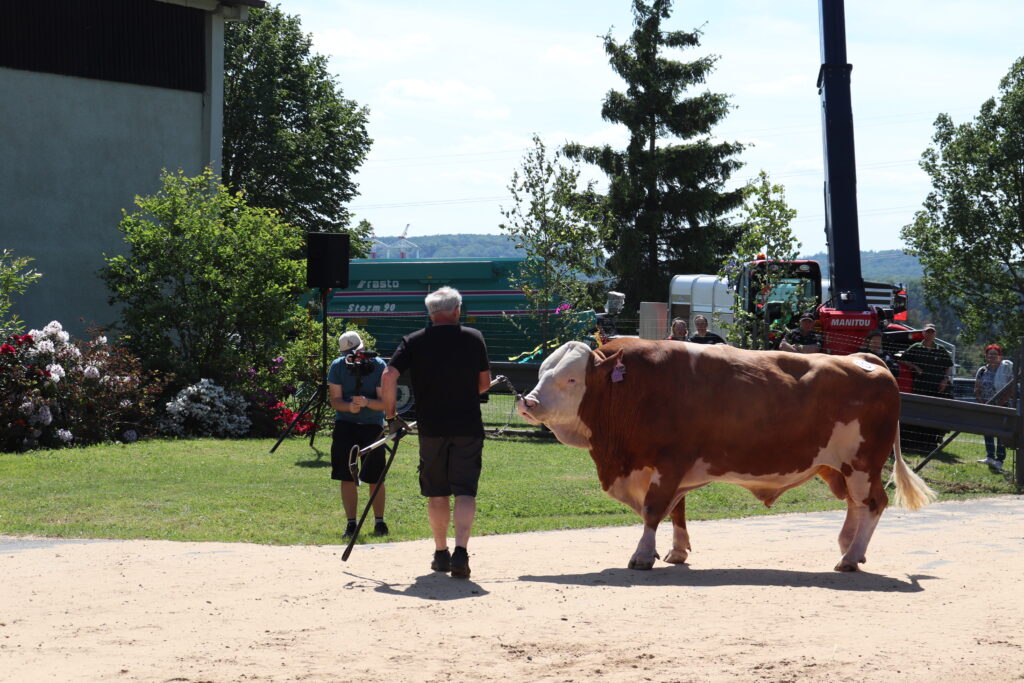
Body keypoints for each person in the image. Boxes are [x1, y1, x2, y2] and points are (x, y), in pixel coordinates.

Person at [380, 287, 491, 579]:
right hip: (467, 426)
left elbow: (388, 375)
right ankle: (461, 554)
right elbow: (483, 384)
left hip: (431, 430)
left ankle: (441, 554)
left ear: (430, 313)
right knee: (465, 491)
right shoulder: (473, 338)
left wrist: (391, 416)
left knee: (437, 493)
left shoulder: (414, 341)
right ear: (457, 310)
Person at [328, 331, 390, 540]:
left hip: (372, 426)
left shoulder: (379, 366)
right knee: (346, 474)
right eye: (351, 354)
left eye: (359, 352)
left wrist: (367, 403)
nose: (356, 357)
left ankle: (379, 522)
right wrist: (348, 407)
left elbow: (385, 403)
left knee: (376, 476)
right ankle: (351, 523)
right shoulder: (337, 366)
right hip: (346, 424)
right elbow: (335, 400)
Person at [974, 343, 1014, 471]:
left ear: (1000, 357)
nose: (992, 357)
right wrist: (981, 403)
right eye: (989, 354)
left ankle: (999, 460)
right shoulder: (982, 371)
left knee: (1000, 433)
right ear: (986, 356)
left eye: (995, 355)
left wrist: (1001, 403)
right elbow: (977, 389)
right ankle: (990, 456)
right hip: (986, 405)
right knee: (987, 431)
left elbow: (1010, 389)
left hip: (1002, 406)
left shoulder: (1005, 371)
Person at [901, 323, 954, 397]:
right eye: (927, 332)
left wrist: (945, 380)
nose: (930, 334)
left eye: (932, 332)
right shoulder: (916, 347)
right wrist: (914, 366)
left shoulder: (941, 349)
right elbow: (902, 360)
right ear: (923, 333)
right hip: (920, 387)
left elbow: (949, 366)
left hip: (938, 388)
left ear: (935, 334)